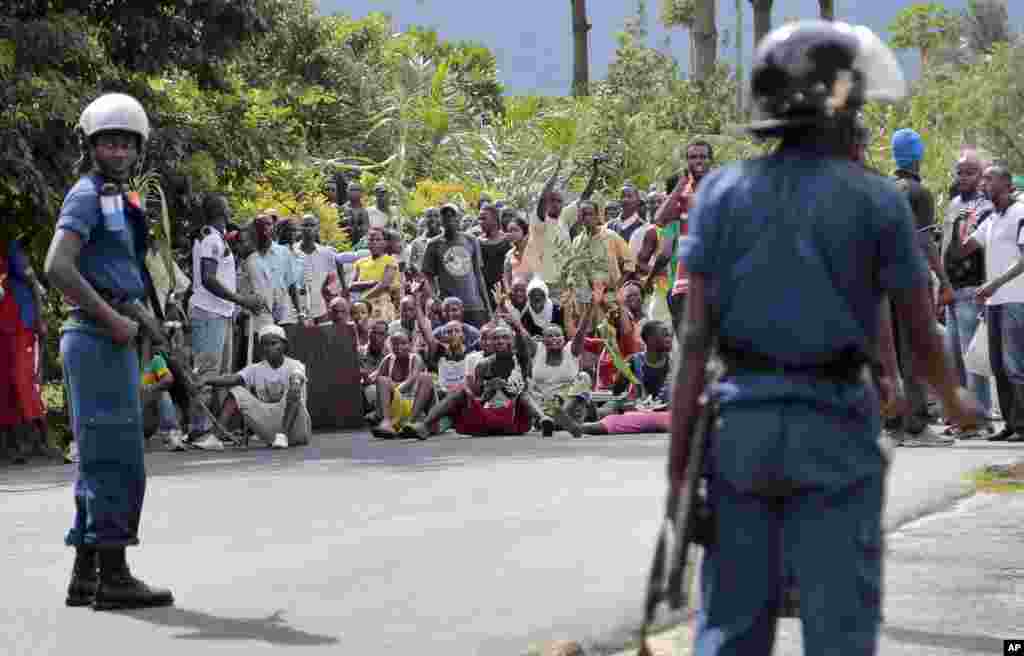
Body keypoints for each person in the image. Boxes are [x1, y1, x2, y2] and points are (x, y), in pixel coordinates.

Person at [667, 22, 981, 656]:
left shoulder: (721, 195)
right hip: (835, 427)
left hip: (740, 432)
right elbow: (921, 332)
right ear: (844, 102)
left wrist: (679, 469)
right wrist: (954, 401)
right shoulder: (875, 202)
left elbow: (694, 345)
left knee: (729, 626)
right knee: (839, 626)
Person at [45, 92, 174, 610]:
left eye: (125, 143)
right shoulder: (84, 194)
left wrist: (143, 316)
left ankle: (86, 576)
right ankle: (115, 578)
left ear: (138, 149)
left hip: (115, 333)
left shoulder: (117, 198)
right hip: (95, 338)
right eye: (107, 143)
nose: (117, 151)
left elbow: (114, 272)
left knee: (99, 459)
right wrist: (113, 319)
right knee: (117, 459)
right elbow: (58, 267)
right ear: (90, 147)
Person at [888, 128, 956, 446]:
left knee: (892, 355)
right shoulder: (918, 192)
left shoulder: (885, 188)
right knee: (915, 352)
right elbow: (925, 241)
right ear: (917, 156)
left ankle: (895, 426)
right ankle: (917, 427)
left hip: (882, 284)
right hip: (910, 283)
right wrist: (944, 281)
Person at [947, 165, 1024, 442]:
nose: (984, 184)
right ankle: (1011, 423)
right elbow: (962, 251)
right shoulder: (992, 219)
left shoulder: (1020, 213)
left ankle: (1022, 424)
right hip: (994, 302)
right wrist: (958, 224)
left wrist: (994, 284)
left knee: (1015, 365)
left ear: (1005, 183)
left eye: (989, 179)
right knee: (998, 365)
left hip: (1016, 299)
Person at [405, 322, 550, 439]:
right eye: (496, 338)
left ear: (512, 341)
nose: (500, 341)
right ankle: (425, 425)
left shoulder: (521, 359)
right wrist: (489, 391)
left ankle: (543, 420)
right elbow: (479, 399)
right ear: (490, 343)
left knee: (522, 394)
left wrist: (517, 329)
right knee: (460, 391)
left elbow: (524, 349)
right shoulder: (482, 365)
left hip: (514, 419)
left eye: (505, 337)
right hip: (487, 417)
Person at [941, 151, 995, 438]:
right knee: (954, 359)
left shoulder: (985, 206)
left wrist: (987, 291)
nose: (963, 178)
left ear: (980, 175)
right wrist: (941, 288)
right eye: (959, 172)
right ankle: (962, 416)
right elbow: (944, 249)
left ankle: (981, 417)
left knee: (971, 357)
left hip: (973, 289)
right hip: (951, 290)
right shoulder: (953, 205)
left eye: (969, 172)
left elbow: (984, 250)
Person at [198, 325, 311, 449]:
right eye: (265, 345)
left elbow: (296, 380)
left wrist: (295, 382)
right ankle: (215, 438)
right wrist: (205, 380)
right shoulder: (255, 369)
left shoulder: (295, 365)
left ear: (284, 345)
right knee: (236, 391)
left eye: (273, 343)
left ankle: (282, 435)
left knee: (294, 388)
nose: (269, 348)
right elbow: (233, 379)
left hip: (296, 429)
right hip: (270, 432)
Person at [0, 238, 52, 463]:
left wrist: (39, 319)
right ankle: (17, 444)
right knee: (9, 383)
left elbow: (33, 283)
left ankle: (40, 440)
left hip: (23, 324)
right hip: (5, 329)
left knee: (24, 380)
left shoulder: (10, 248)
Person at [665, 140, 714, 333]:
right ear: (687, 162)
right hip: (683, 283)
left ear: (711, 160)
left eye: (703, 156)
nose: (698, 161)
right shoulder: (682, 194)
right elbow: (660, 219)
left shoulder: (722, 191)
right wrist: (680, 186)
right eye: (693, 157)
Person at [421, 203, 492, 327]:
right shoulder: (433, 244)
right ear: (441, 221)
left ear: (458, 218)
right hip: (449, 307)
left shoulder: (471, 240)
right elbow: (427, 277)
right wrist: (435, 299)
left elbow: (478, 274)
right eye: (445, 216)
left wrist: (487, 306)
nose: (449, 219)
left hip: (473, 305)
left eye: (452, 216)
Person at [292, 214, 344, 325]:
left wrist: (330, 293)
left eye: (312, 225)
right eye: (305, 225)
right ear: (300, 228)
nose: (309, 228)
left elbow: (334, 280)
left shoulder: (326, 253)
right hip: (297, 308)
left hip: (322, 307)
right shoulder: (291, 251)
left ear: (317, 228)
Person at [350, 227, 400, 323]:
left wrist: (364, 298)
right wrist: (371, 283)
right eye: (371, 239)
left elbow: (384, 285)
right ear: (367, 242)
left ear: (385, 243)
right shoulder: (360, 263)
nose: (374, 242)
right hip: (361, 309)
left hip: (381, 307)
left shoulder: (390, 261)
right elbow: (351, 285)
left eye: (378, 240)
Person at [504, 275, 563, 339]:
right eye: (533, 294)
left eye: (540, 294)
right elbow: (526, 338)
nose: (537, 297)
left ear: (546, 295)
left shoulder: (558, 309)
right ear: (528, 297)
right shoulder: (526, 316)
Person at [478, 202, 511, 299]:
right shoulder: (477, 242)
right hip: (484, 292)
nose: (480, 222)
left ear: (494, 220)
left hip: (505, 290)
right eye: (479, 219)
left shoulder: (507, 240)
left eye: (484, 218)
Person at [409, 207, 441, 273]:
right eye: (429, 216)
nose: (433, 219)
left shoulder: (449, 239)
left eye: (436, 216)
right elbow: (411, 264)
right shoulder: (416, 243)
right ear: (425, 219)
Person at [502, 213, 530, 289]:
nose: (512, 233)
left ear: (524, 231)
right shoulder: (509, 255)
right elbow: (506, 278)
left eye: (515, 230)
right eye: (510, 231)